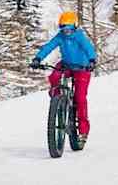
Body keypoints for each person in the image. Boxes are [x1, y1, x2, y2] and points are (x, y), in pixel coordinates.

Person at [30, 10, 97, 143]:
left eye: (69, 29)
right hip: (67, 65)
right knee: (54, 75)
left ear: (75, 27)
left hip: (82, 68)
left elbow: (89, 48)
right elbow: (49, 47)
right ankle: (58, 97)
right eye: (63, 29)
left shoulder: (79, 37)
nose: (66, 32)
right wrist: (38, 58)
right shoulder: (60, 37)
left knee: (80, 97)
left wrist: (92, 60)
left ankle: (83, 130)